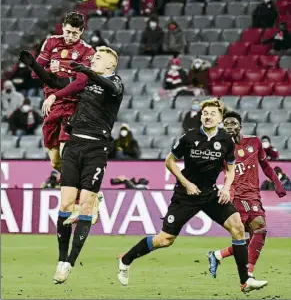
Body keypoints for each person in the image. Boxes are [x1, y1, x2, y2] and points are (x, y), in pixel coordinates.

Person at [117, 98, 268, 293]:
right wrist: (186, 183)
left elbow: (230, 168)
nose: (208, 116)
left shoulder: (225, 141)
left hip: (211, 194)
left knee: (238, 228)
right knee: (165, 240)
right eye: (205, 113)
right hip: (186, 195)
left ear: (220, 118)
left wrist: (226, 187)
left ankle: (245, 281)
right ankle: (126, 259)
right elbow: (169, 161)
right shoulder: (189, 137)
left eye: (213, 113)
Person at [19, 46, 124, 284]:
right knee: (66, 202)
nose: (94, 58)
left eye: (99, 57)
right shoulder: (85, 80)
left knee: (85, 206)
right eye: (93, 56)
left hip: (97, 149)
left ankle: (70, 262)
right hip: (74, 145)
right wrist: (34, 65)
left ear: (110, 65)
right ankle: (61, 259)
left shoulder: (115, 82)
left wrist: (88, 71)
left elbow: (111, 87)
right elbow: (55, 81)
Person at [208, 111, 286, 279]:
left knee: (250, 239)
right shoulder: (220, 148)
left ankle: (217, 255)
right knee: (260, 228)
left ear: (239, 127)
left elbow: (265, 165)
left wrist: (276, 182)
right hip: (237, 194)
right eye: (226, 124)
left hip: (253, 194)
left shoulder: (254, 142)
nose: (229, 127)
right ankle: (248, 273)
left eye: (232, 123)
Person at [33, 12, 95, 173]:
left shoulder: (87, 51)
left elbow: (80, 82)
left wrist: (56, 93)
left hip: (73, 105)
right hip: (51, 106)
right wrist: (48, 70)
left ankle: (84, 190)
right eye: (67, 31)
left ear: (81, 31)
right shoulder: (51, 42)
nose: (69, 36)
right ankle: (80, 183)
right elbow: (34, 73)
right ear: (62, 28)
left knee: (65, 154)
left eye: (74, 33)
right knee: (55, 162)